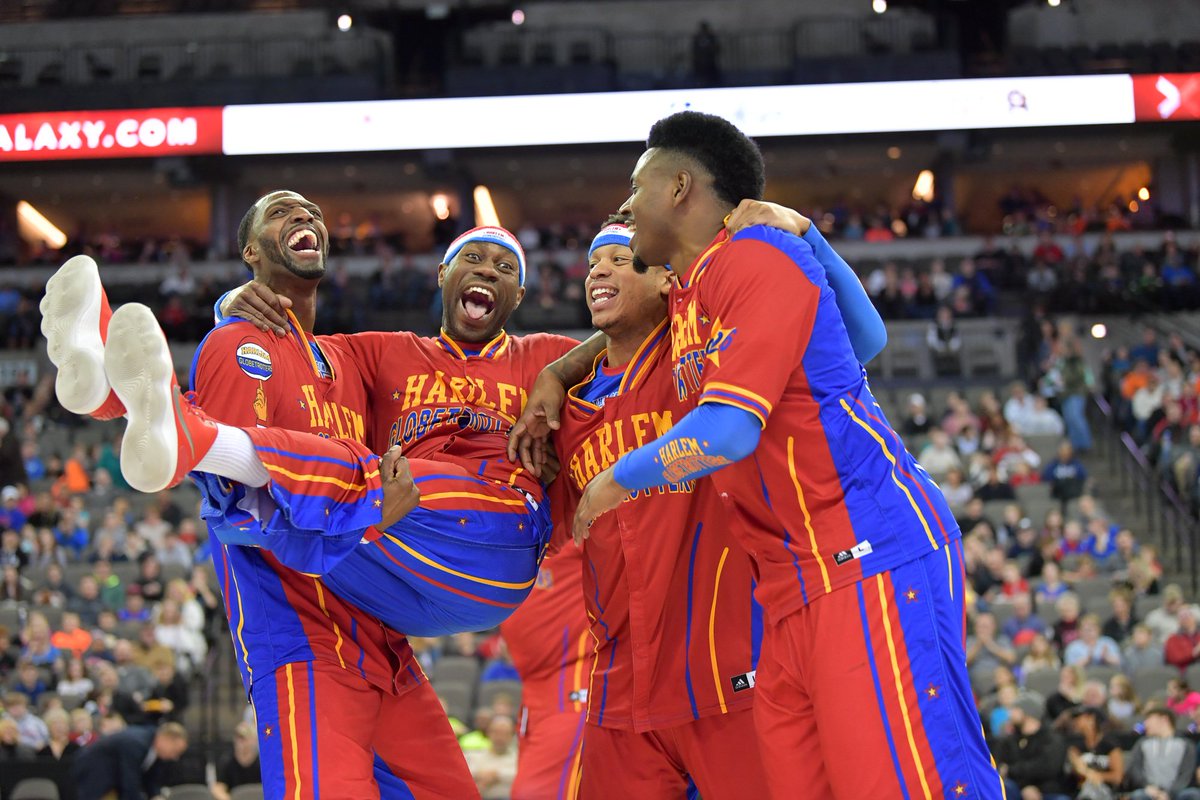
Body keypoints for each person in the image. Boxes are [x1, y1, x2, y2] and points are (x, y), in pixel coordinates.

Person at [518, 111, 999, 798]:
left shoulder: (754, 255)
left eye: (637, 185)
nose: (626, 204)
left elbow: (731, 432)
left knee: (904, 783)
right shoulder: (693, 290)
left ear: (679, 187)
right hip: (788, 586)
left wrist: (611, 483)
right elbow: (856, 341)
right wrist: (557, 371)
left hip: (864, 552)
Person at [40, 195, 480, 799]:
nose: (304, 216)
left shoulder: (351, 356)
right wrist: (370, 512)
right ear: (250, 251)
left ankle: (108, 392)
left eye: (312, 210)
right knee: (238, 468)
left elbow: (456, 366)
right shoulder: (238, 344)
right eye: (280, 212)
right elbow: (241, 511)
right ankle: (127, 401)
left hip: (380, 641)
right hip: (302, 637)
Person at [497, 545, 590, 800]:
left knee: (534, 793)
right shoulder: (521, 533)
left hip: (571, 680)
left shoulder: (580, 528)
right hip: (534, 689)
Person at [71, 721, 188, 800]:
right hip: (93, 776)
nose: (175, 757)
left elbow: (151, 779)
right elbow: (130, 781)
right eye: (175, 751)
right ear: (166, 739)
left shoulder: (155, 750)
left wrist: (155, 795)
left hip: (110, 781)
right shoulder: (136, 743)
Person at [994, 696, 1070, 800]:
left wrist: (1011, 770)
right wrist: (1024, 787)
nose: (1010, 714)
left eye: (1015, 709)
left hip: (1047, 791)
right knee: (1005, 786)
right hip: (1017, 788)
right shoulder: (1009, 741)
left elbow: (1047, 767)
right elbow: (1001, 767)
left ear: (1027, 713)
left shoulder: (1051, 739)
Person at [1127, 707, 1196, 800]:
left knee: (1192, 794)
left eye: (1149, 719)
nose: (1145, 724)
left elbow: (1186, 774)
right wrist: (1147, 787)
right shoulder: (1142, 743)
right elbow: (1135, 768)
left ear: (1164, 719)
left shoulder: (1186, 744)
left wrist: (1169, 794)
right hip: (1149, 790)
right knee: (1138, 796)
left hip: (1177, 791)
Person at [1065, 706, 1124, 800]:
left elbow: (1117, 777)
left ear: (1091, 719)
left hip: (1106, 792)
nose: (1076, 721)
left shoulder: (1109, 744)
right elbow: (1077, 771)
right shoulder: (1075, 745)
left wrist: (1097, 776)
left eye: (1080, 717)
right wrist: (1084, 772)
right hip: (1080, 792)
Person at [465, 714, 519, 800]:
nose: (500, 737)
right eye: (496, 732)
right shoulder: (473, 756)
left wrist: (497, 776)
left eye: (505, 733)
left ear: (512, 736)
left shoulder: (519, 759)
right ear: (488, 733)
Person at [211, 721, 261, 800]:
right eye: (238, 738)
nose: (241, 742)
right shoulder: (226, 761)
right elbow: (218, 788)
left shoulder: (263, 763)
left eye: (245, 738)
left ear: (254, 740)